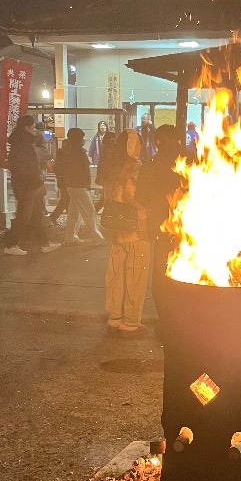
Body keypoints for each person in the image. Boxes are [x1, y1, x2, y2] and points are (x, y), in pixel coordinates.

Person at [135, 125, 183, 334]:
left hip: (163, 228)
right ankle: (182, 322)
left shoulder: (150, 165)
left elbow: (141, 196)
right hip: (188, 229)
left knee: (163, 276)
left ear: (157, 142)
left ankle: (167, 322)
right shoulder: (191, 163)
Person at [104, 129, 151, 336]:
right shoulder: (135, 167)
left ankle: (114, 317)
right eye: (137, 143)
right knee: (136, 275)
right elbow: (132, 196)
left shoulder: (112, 166)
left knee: (115, 273)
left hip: (116, 228)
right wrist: (147, 209)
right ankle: (131, 322)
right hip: (136, 229)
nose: (139, 146)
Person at [4, 115, 61, 256]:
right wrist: (38, 184)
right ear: (26, 127)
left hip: (25, 184)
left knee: (36, 214)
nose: (35, 129)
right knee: (25, 215)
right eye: (33, 127)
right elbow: (28, 168)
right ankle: (11, 244)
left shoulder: (20, 142)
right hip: (27, 186)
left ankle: (45, 243)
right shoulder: (23, 144)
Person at [63, 127, 104, 245]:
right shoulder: (78, 152)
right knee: (89, 211)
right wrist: (86, 183)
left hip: (73, 185)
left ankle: (70, 238)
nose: (84, 140)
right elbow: (81, 171)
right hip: (78, 186)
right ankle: (98, 237)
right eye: (82, 138)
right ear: (78, 140)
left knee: (74, 212)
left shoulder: (72, 151)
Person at [94, 129, 116, 213]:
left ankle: (94, 212)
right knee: (106, 198)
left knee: (104, 198)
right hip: (109, 177)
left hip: (107, 177)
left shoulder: (105, 148)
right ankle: (103, 214)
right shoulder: (109, 149)